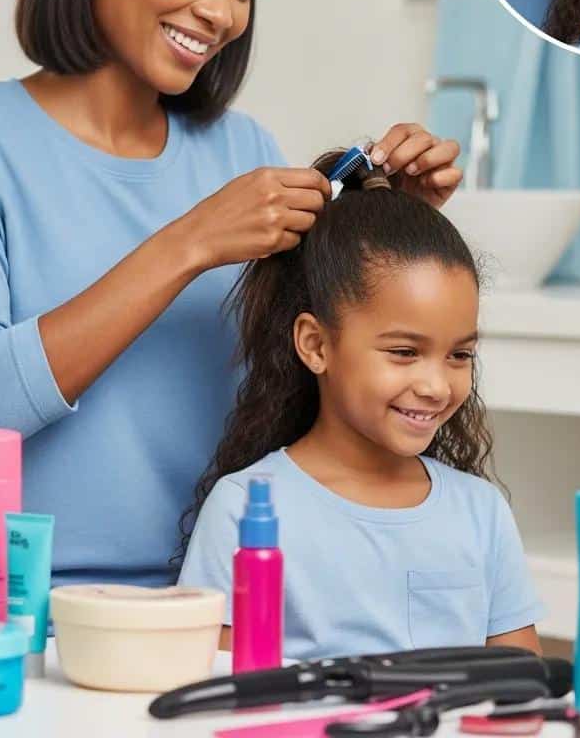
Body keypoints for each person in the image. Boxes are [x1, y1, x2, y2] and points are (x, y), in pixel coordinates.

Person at [0, 0, 462, 589]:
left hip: (221, 606)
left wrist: (400, 223)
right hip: (17, 615)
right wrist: (188, 242)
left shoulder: (243, 152)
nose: (219, 11)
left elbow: (326, 378)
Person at [177, 150, 543, 659]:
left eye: (459, 354)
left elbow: (520, 690)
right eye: (404, 352)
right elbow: (214, 688)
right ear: (316, 345)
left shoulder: (481, 513)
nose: (437, 385)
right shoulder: (245, 509)